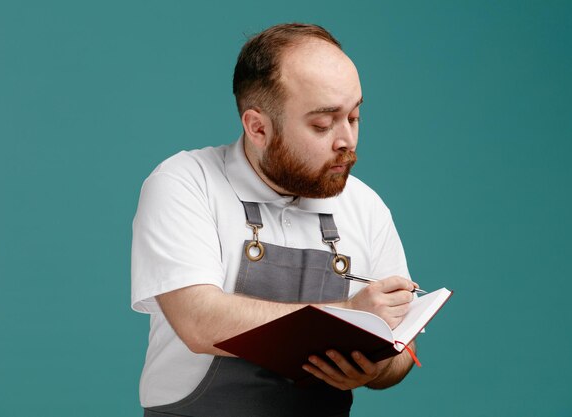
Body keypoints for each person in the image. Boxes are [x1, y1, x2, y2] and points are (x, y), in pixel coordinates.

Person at [131, 23, 419, 417]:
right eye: (322, 124)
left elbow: (401, 353)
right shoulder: (186, 182)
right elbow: (199, 320)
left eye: (354, 117)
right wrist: (351, 315)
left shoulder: (365, 206)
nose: (346, 140)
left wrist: (378, 364)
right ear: (258, 127)